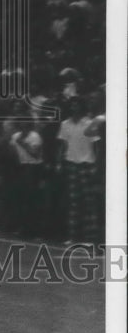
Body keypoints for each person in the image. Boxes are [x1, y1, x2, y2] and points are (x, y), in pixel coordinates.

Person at [56, 95, 101, 244]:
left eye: (77, 104)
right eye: (72, 105)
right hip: (71, 164)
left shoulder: (89, 123)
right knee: (73, 202)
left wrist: (96, 165)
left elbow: (97, 146)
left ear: (82, 106)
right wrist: (59, 162)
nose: (74, 107)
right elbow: (62, 145)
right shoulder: (65, 124)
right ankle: (72, 237)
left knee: (89, 203)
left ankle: (89, 238)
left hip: (87, 164)